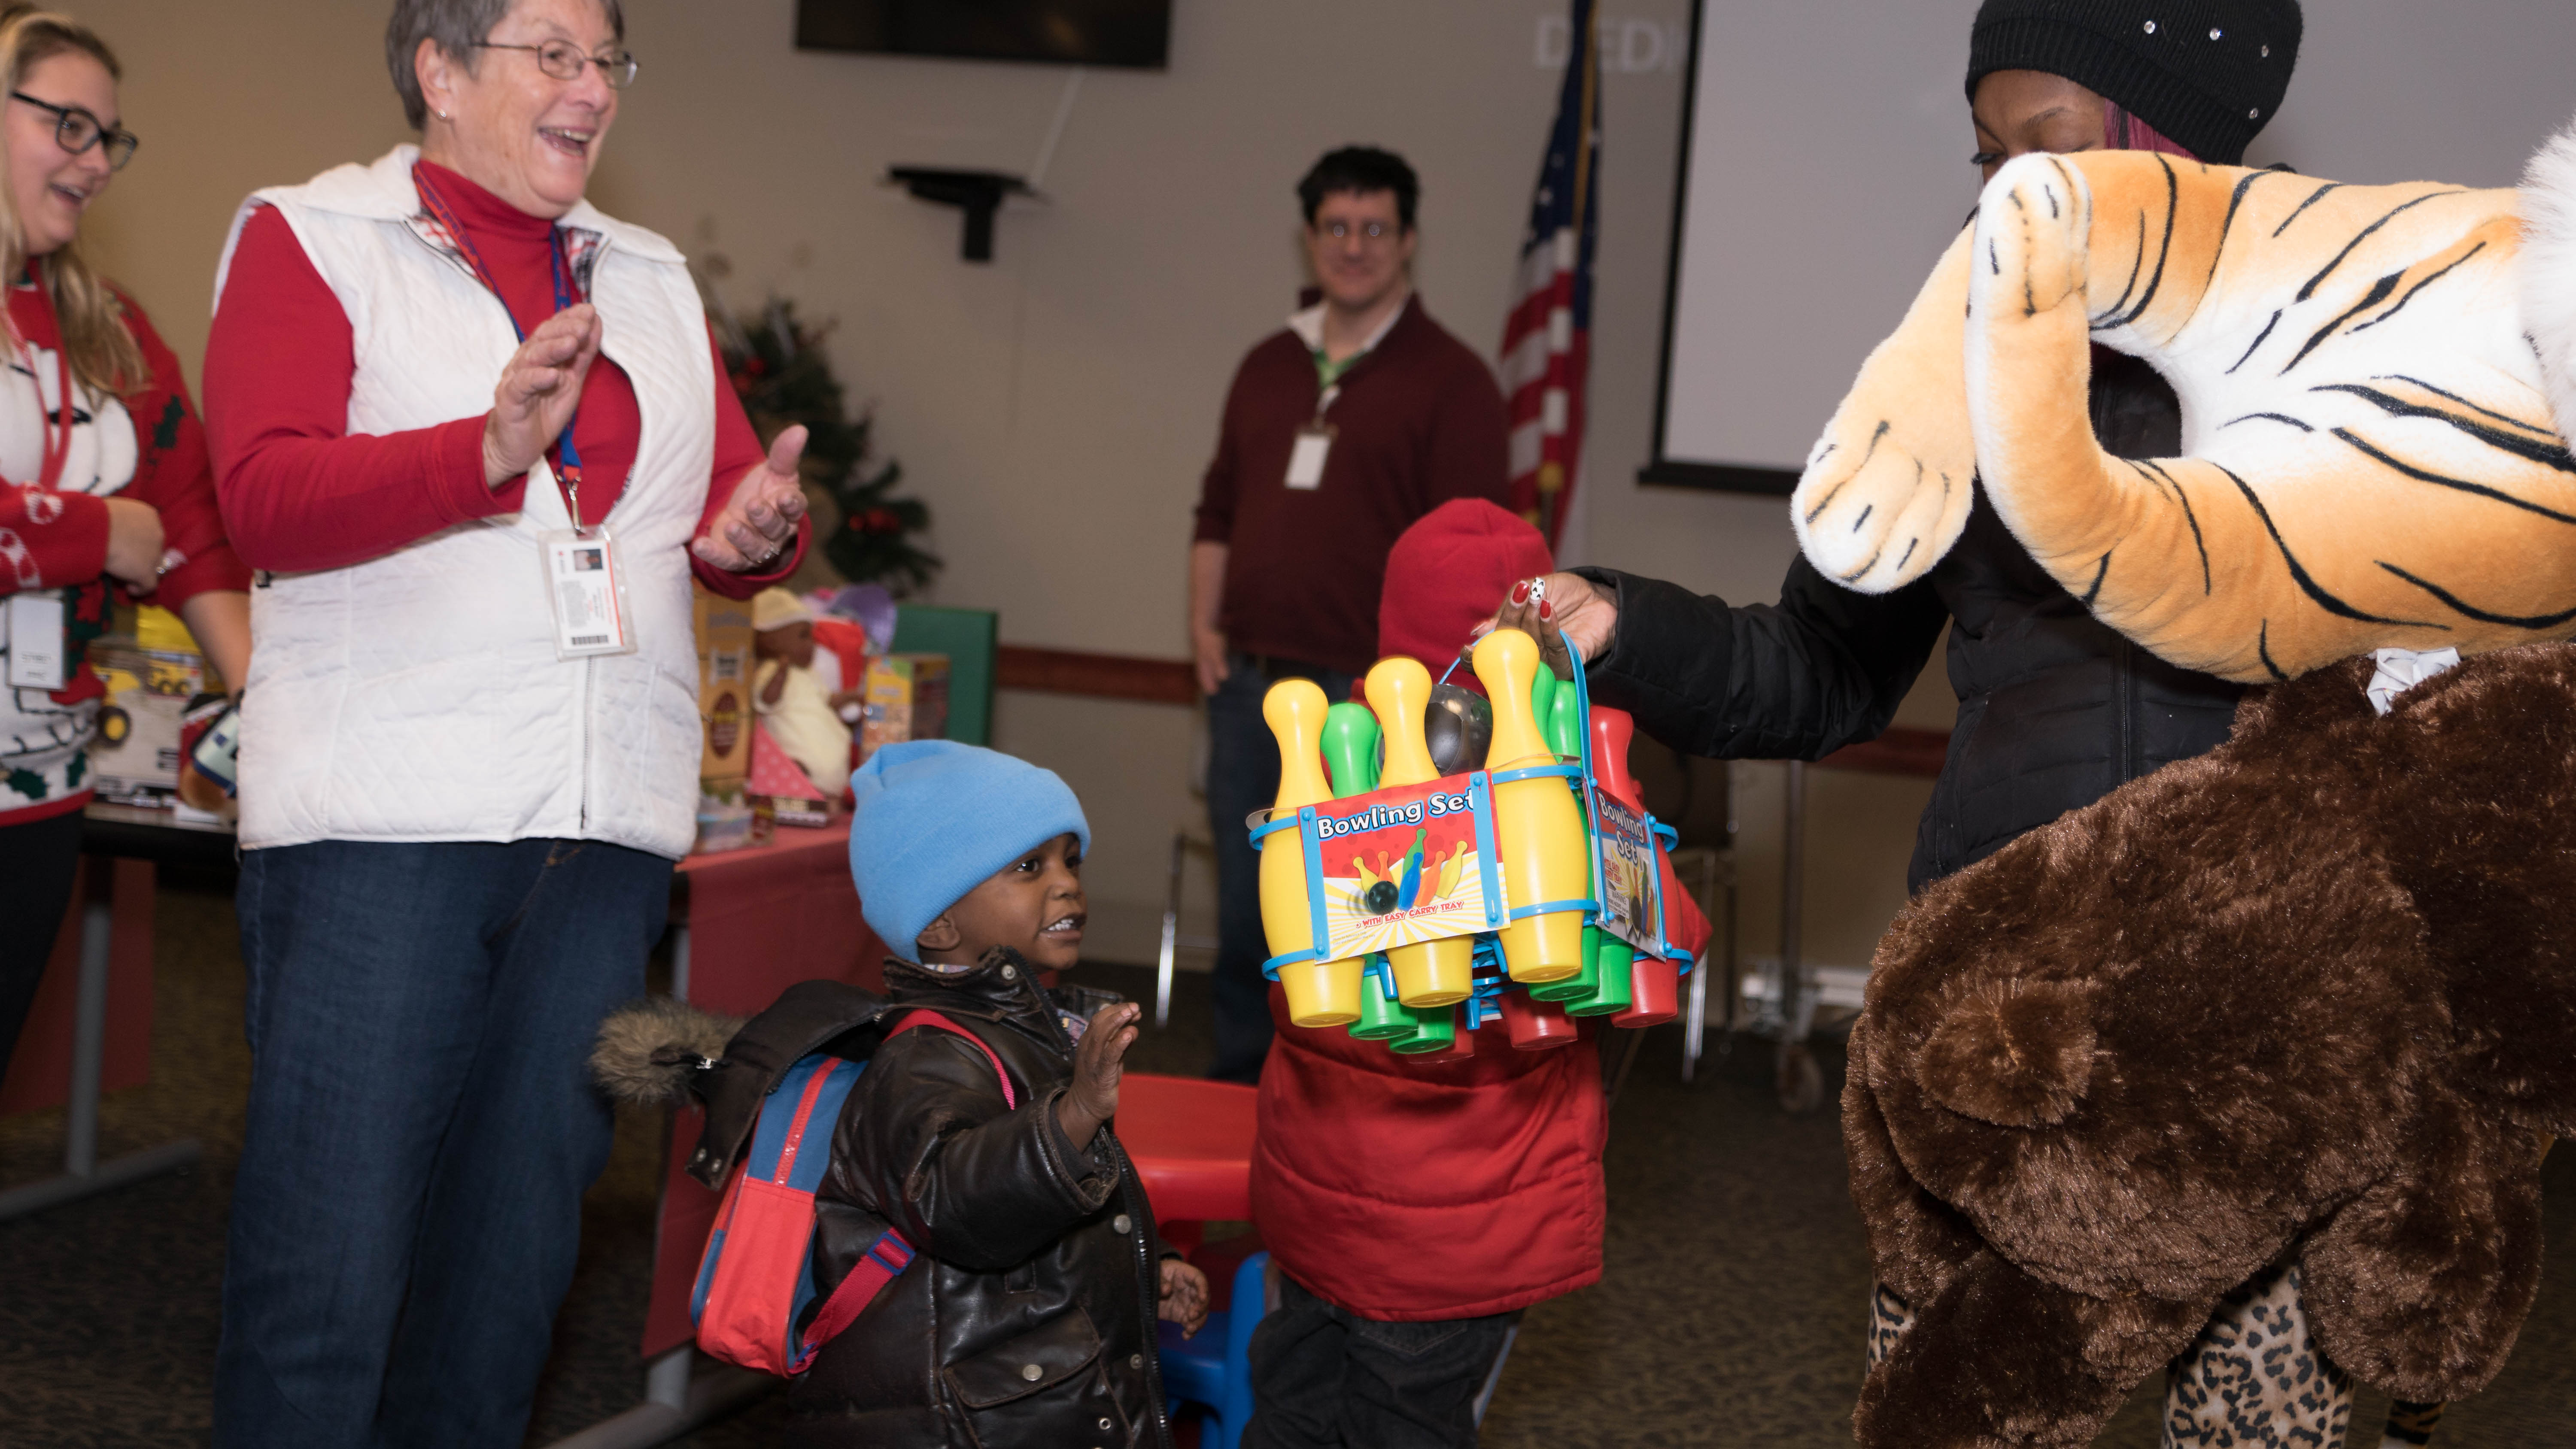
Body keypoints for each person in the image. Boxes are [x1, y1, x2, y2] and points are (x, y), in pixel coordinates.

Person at [1497, 1, 2436, 1443]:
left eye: (2042, 146)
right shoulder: (1957, 362)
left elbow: (2438, 691)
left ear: (2164, 140)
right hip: (1999, 1014)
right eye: (1986, 155)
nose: (2007, 192)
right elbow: (1820, 665)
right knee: (1959, 1411)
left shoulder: (2342, 349)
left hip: (2263, 1026)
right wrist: (1624, 624)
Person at [199, 1, 811, 1442]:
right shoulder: (313, 235)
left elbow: (722, 507)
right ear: (440, 68)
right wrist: (478, 450)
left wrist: (758, 531)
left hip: (599, 842)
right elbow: (264, 496)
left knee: (509, 1275)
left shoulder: (646, 273)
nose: (591, 88)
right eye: (554, 54)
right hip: (380, 834)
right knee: (329, 1273)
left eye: (606, 60)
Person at [1245, 499, 1601, 1449]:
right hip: (1464, 1229)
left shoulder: (1329, 756)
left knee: (1293, 1403)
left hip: (1316, 1192)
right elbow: (1649, 939)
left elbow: (1290, 978)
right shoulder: (1561, 778)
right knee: (1409, 1423)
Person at [1190, 145, 1511, 1082]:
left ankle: (1342, 1103)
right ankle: (1238, 1093)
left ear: (1408, 241)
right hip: (1248, 684)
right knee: (1251, 912)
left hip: (1375, 703)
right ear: (1310, 236)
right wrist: (1204, 626)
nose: (1354, 246)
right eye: (1337, 226)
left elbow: (1470, 553)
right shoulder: (1267, 363)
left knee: (1362, 919)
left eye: (1376, 228)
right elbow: (1215, 511)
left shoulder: (1455, 380)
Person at [805, 739, 1206, 1446]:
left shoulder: (1029, 1028)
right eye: (1029, 866)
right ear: (939, 922)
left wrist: (1149, 1264)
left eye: (1070, 860)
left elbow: (1063, 1213)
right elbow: (958, 1205)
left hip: (1030, 1390)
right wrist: (1074, 1113)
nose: (1068, 885)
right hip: (970, 1421)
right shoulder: (925, 1056)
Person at [0, 7, 249, 1081]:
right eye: (68, 125)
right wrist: (100, 531)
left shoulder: (110, 327)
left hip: (41, 786)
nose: (96, 160)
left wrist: (258, 693)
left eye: (108, 137)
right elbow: (136, 527)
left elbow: (189, 519)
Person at [752, 585, 856, 795]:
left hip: (826, 758)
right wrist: (779, 676)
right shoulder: (770, 671)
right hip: (798, 760)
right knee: (802, 777)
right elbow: (766, 701)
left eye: (812, 638)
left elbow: (827, 700)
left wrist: (852, 696)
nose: (812, 645)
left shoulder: (808, 674)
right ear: (771, 642)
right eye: (803, 636)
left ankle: (829, 794)